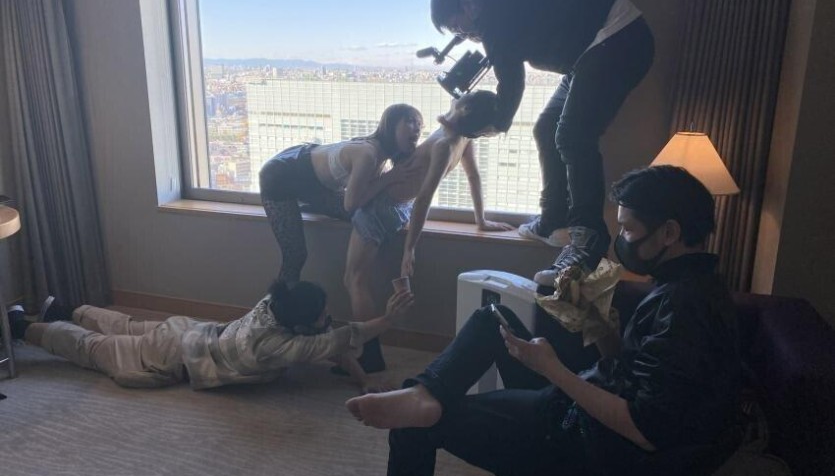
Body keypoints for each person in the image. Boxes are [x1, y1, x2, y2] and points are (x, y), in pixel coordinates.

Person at [345, 165, 742, 476]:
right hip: (589, 419)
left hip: (592, 456)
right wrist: (600, 327)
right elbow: (639, 375)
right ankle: (425, 392)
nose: (622, 239)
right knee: (492, 320)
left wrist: (554, 371)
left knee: (412, 424)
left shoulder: (685, 309)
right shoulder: (689, 286)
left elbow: (647, 429)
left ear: (669, 232)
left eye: (628, 229)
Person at [430, 0, 655, 285]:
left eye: (459, 28)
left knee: (574, 135)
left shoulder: (497, 12)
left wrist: (494, 124)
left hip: (618, 38)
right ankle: (552, 219)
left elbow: (511, 83)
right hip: (591, 55)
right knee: (547, 128)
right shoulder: (504, 1)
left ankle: (587, 239)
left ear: (468, 5)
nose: (466, 37)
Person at [7, 280, 413, 393]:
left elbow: (332, 338)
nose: (329, 319)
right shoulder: (275, 345)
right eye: (322, 315)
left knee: (126, 325)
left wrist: (363, 380)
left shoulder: (274, 304)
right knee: (96, 349)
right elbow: (338, 339)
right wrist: (389, 319)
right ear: (301, 325)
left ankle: (62, 309)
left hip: (187, 330)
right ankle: (22, 327)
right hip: (173, 356)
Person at [259, 103, 423, 373]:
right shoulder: (368, 154)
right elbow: (351, 204)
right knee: (295, 255)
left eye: (419, 124)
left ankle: (366, 353)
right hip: (280, 177)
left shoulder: (381, 155)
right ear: (390, 125)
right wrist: (389, 178)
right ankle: (270, 328)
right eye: (410, 121)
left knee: (367, 214)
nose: (416, 128)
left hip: (309, 178)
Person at [343, 90, 513, 331]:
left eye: (467, 96)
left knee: (354, 280)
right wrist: (481, 220)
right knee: (364, 278)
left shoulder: (445, 144)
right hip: (400, 207)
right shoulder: (463, 137)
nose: (461, 94)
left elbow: (424, 198)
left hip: (381, 209)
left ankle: (367, 347)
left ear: (466, 110)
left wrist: (409, 249)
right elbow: (473, 176)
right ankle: (370, 343)